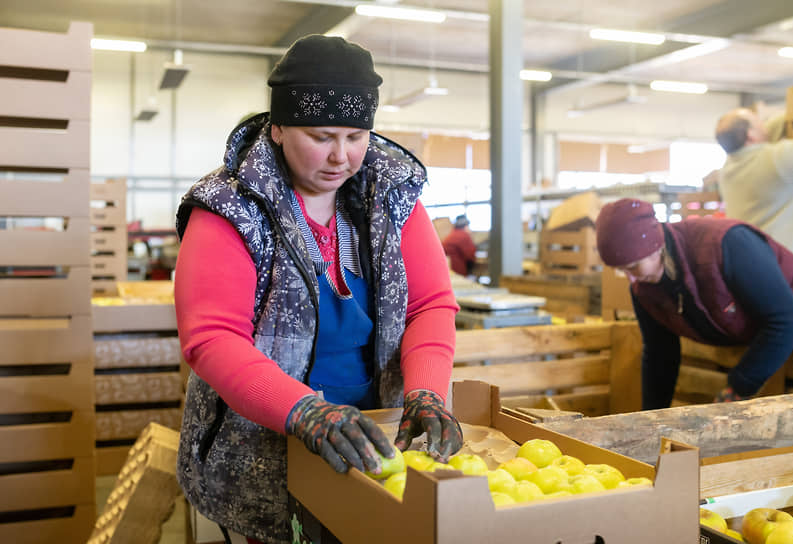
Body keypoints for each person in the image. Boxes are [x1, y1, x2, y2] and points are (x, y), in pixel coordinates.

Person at [173, 35, 463, 544]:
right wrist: (303, 411)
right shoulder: (230, 206)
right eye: (322, 136)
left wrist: (427, 392)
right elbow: (212, 338)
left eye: (356, 136)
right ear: (279, 127)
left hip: (376, 434)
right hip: (265, 440)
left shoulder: (391, 196)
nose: (341, 156)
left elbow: (430, 305)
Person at [595, 198, 793, 410]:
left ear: (655, 247)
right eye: (621, 270)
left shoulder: (727, 244)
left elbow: (785, 320)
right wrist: (651, 420)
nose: (630, 279)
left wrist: (739, 386)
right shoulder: (643, 289)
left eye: (633, 266)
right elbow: (660, 353)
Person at [715, 108, 793, 250]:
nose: (765, 126)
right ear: (750, 134)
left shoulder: (727, 168)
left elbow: (769, 129)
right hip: (782, 260)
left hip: (751, 255)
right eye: (760, 123)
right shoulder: (777, 158)